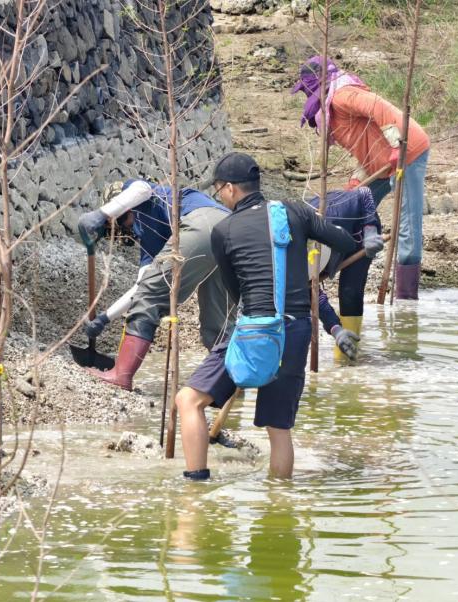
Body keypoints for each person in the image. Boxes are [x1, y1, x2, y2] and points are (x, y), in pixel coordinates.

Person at [174, 152, 357, 480]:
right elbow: (344, 241)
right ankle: (280, 501)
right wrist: (316, 271)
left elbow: (235, 292)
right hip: (296, 331)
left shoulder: (224, 230)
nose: (220, 198)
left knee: (188, 401)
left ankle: (196, 491)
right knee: (279, 430)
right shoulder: (295, 211)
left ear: (230, 188)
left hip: (254, 330)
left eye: (219, 191)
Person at [292, 56, 431, 299]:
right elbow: (365, 147)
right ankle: (341, 258)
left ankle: (407, 298)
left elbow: (380, 108)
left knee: (407, 224)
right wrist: (356, 183)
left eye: (307, 90)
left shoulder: (343, 95)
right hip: (380, 162)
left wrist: (397, 144)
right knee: (351, 206)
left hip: (407, 152)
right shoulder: (330, 111)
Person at [77, 179, 234, 390]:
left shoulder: (144, 196)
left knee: (150, 298)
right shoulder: (152, 241)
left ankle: (120, 376)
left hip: (203, 222)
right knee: (219, 322)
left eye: (120, 220)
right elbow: (140, 287)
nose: (125, 227)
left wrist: (101, 214)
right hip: (232, 231)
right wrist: (105, 318)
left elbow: (142, 188)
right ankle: (227, 386)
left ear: (123, 206)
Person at [310, 187, 384, 362]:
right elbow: (312, 293)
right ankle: (343, 343)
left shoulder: (339, 211)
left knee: (350, 292)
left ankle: (348, 359)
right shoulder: (292, 259)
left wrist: (371, 229)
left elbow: (365, 193)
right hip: (324, 250)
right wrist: (335, 329)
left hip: (360, 235)